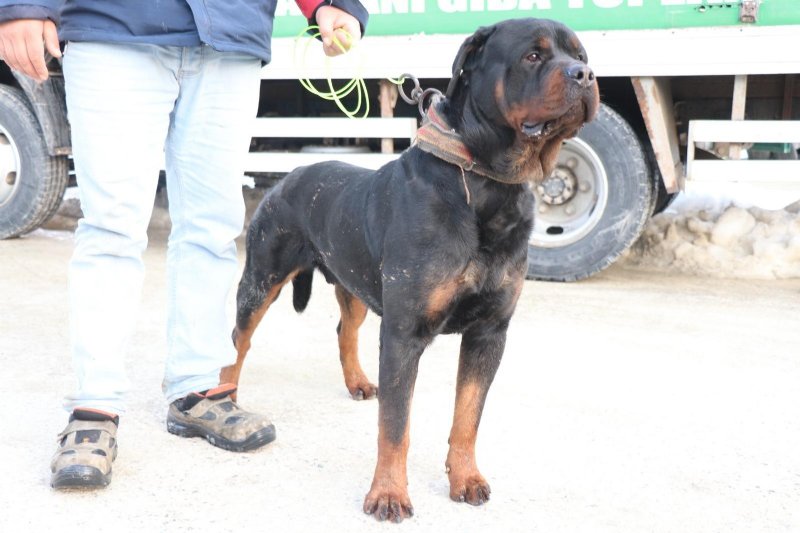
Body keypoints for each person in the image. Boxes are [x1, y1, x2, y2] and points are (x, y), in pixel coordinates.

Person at [0, 0, 368, 490]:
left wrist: (325, 4)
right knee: (111, 228)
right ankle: (95, 405)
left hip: (230, 33)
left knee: (212, 227)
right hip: (115, 26)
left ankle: (196, 389)